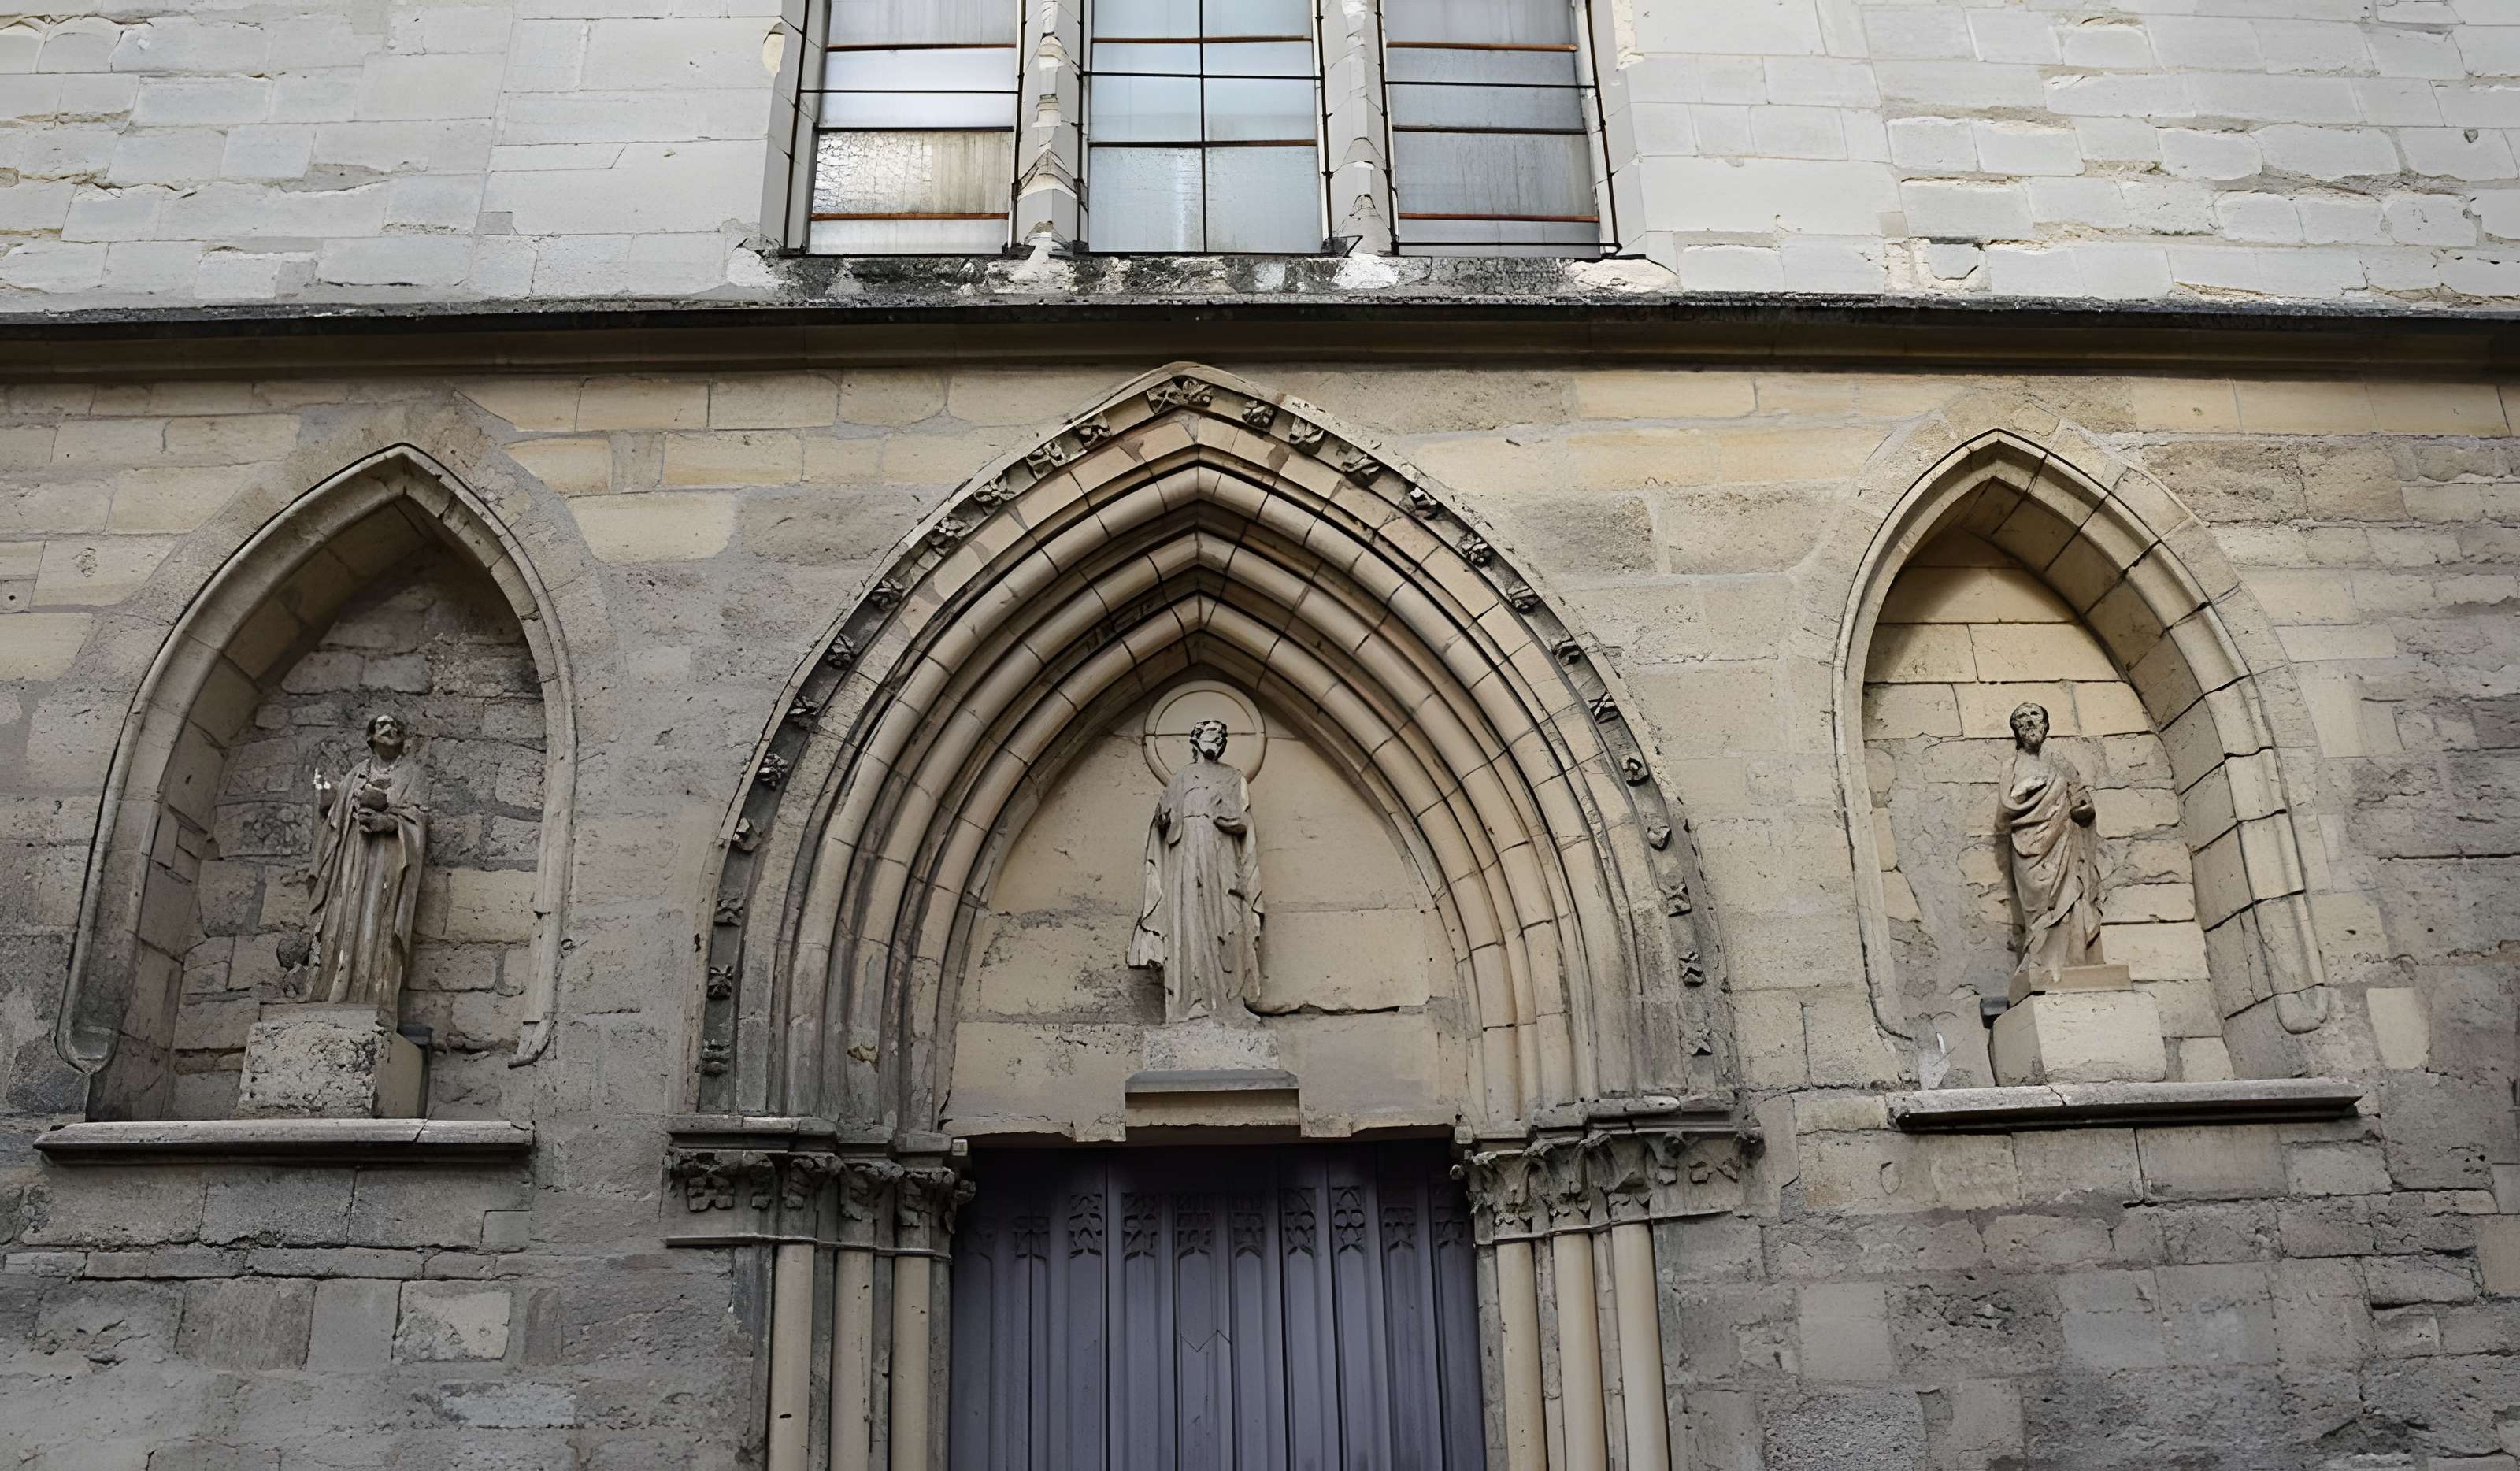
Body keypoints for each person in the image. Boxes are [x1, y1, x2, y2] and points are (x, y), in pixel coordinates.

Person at [1129, 718, 1263, 1021]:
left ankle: (1230, 1003)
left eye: (1221, 734)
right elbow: (1162, 826)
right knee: (1188, 926)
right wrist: (1163, 820)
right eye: (1210, 733)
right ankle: (1190, 1004)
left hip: (1222, 862)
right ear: (1196, 739)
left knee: (1227, 926)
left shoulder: (1234, 779)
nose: (1216, 738)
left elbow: (1244, 823)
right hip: (1186, 861)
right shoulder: (1179, 781)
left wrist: (1223, 815)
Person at [306, 712, 429, 1011]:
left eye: (397, 727)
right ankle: (332, 991)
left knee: (378, 921)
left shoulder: (412, 775)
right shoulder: (355, 775)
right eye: (383, 725)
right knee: (342, 918)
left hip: (388, 862)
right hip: (351, 859)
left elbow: (419, 819)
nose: (391, 729)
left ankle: (375, 996)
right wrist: (341, 804)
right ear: (371, 737)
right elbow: (336, 818)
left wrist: (388, 823)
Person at [1999, 701, 2104, 980]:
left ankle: (2072, 960)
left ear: (2045, 724)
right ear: (2016, 728)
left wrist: (2080, 810)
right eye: (2022, 717)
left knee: (2069, 899)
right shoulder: (2011, 766)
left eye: (2035, 715)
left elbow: (2083, 801)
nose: (2030, 721)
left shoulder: (2060, 762)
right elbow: (2006, 808)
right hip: (2028, 846)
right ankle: (2040, 959)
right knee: (2037, 906)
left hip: (2063, 840)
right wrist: (2025, 790)